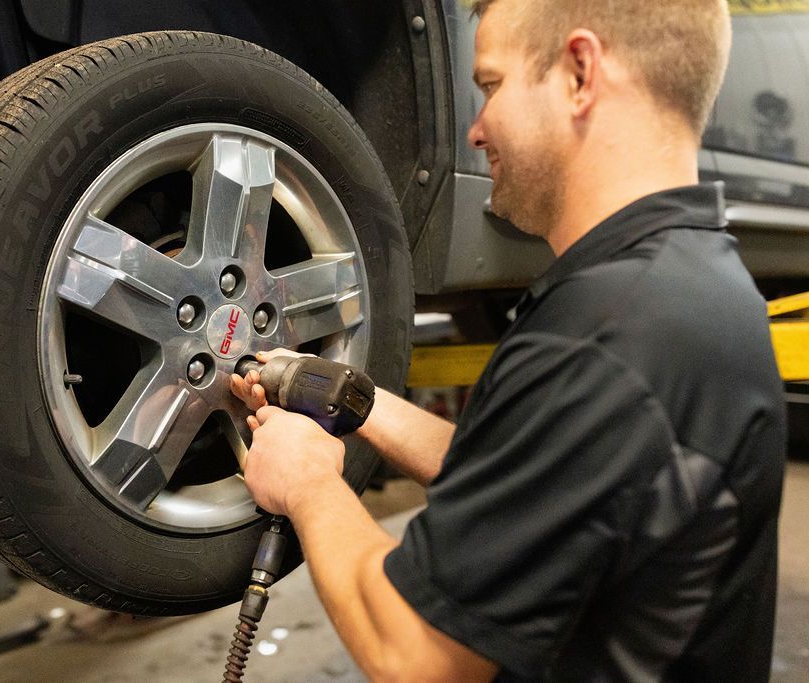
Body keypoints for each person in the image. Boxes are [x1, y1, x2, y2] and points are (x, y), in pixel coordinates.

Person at [230, 0, 787, 680]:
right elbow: (548, 473)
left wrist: (310, 480)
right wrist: (359, 405)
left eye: (491, 86)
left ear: (581, 72)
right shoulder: (694, 284)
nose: (475, 129)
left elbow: (414, 652)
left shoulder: (605, 340)